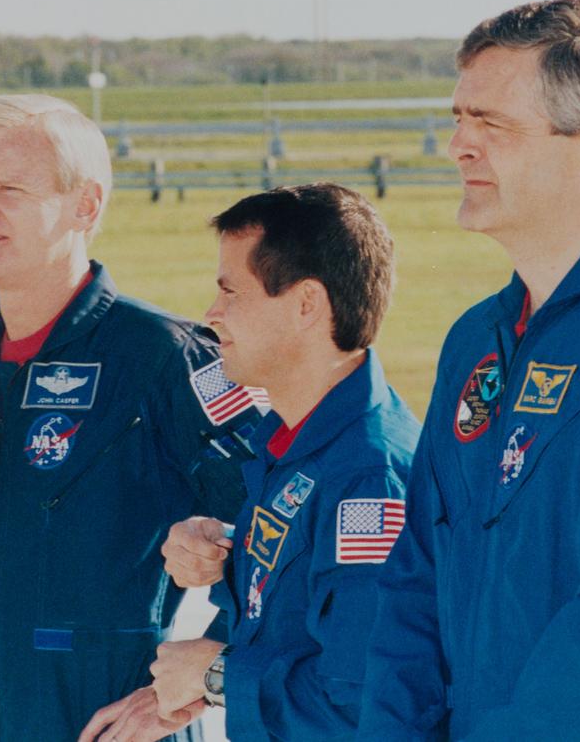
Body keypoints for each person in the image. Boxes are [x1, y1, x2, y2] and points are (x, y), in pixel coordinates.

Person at [0, 95, 265, 741]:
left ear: (86, 205)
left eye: (10, 189)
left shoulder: (163, 354)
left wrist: (198, 680)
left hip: (108, 723)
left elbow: (286, 525)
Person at [357, 0, 580, 741]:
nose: (458, 147)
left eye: (492, 125)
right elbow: (413, 579)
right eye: (459, 119)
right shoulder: (474, 340)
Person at [89, 183, 420, 742]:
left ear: (306, 304)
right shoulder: (295, 443)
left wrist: (216, 675)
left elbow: (365, 702)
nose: (211, 314)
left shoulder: (369, 478)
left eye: (231, 292)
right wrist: (228, 548)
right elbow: (293, 609)